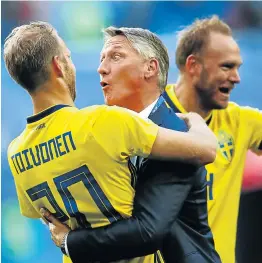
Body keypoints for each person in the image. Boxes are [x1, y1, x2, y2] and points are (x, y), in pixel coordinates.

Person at [4, 22, 217, 263]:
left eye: (115, 57)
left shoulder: (16, 151)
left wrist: (68, 242)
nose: (101, 69)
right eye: (70, 57)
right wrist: (196, 119)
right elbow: (207, 149)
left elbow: (44, 216)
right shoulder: (101, 124)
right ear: (57, 65)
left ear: (150, 67)